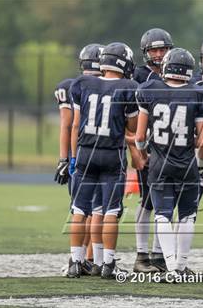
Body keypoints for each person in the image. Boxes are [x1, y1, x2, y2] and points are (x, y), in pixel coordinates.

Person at [135, 48, 203, 279]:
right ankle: (180, 265)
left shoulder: (149, 90)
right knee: (187, 215)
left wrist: (144, 153)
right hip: (187, 162)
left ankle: (168, 267)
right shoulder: (198, 94)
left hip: (159, 162)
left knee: (162, 214)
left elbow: (139, 137)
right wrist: (198, 162)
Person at [67, 42, 139, 279]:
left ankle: (75, 262)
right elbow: (133, 127)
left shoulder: (82, 84)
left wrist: (73, 156)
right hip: (112, 153)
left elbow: (75, 124)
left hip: (86, 151)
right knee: (110, 211)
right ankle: (108, 264)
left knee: (79, 208)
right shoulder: (129, 87)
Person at [54, 43, 104, 276]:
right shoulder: (109, 87)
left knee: (82, 209)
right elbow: (69, 125)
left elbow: (66, 125)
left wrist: (65, 159)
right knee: (97, 210)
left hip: (82, 155)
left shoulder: (72, 85)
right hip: (101, 155)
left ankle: (81, 259)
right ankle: (89, 259)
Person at [132, 28, 174, 273]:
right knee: (148, 201)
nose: (158, 54)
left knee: (167, 202)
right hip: (148, 148)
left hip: (173, 149)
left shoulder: (178, 73)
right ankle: (141, 255)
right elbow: (130, 118)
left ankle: (159, 254)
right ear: (145, 53)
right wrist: (136, 149)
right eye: (153, 50)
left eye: (163, 49)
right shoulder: (139, 77)